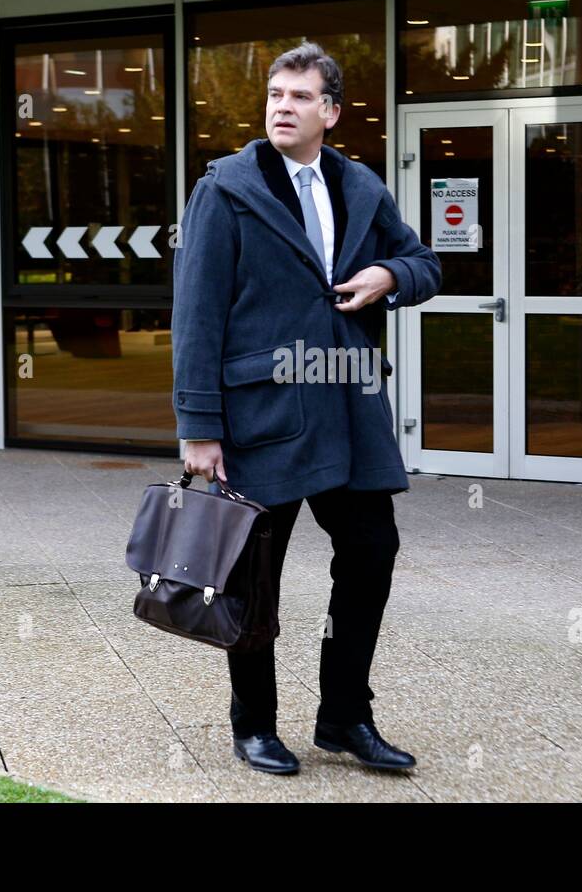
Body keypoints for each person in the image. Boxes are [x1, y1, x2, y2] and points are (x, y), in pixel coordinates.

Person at [171, 41, 441, 775]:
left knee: (371, 553)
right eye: (274, 95)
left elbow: (426, 263)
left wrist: (388, 273)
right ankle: (253, 724)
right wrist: (199, 426)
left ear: (331, 110)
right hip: (262, 419)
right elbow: (196, 312)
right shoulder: (225, 188)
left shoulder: (359, 186)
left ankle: (345, 716)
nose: (282, 107)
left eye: (299, 96)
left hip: (347, 414)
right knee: (251, 575)